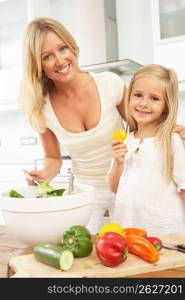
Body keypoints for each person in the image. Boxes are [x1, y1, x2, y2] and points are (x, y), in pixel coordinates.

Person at [18, 18, 185, 235]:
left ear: (72, 46)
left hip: (127, 190)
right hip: (87, 195)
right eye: (47, 56)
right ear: (37, 64)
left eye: (62, 48)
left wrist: (176, 132)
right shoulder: (41, 107)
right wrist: (42, 175)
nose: (59, 60)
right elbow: (52, 158)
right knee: (87, 252)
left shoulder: (109, 84)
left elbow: (144, 123)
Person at [108, 64, 185, 236]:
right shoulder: (124, 140)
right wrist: (118, 163)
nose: (143, 103)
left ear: (166, 105)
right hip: (128, 233)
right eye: (138, 95)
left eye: (154, 98)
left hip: (166, 235)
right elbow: (114, 188)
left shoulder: (172, 141)